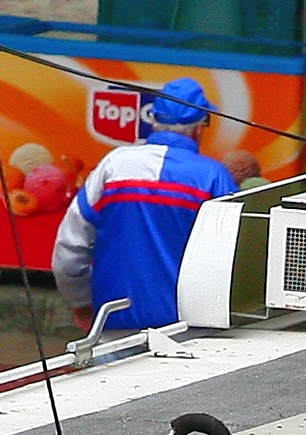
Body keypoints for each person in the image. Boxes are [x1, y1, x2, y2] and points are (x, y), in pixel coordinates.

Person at [50, 76, 245, 330]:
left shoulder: (114, 166)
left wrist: (81, 303)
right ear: (199, 127)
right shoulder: (213, 178)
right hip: (188, 332)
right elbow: (235, 258)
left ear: (152, 120)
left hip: (113, 323)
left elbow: (69, 250)